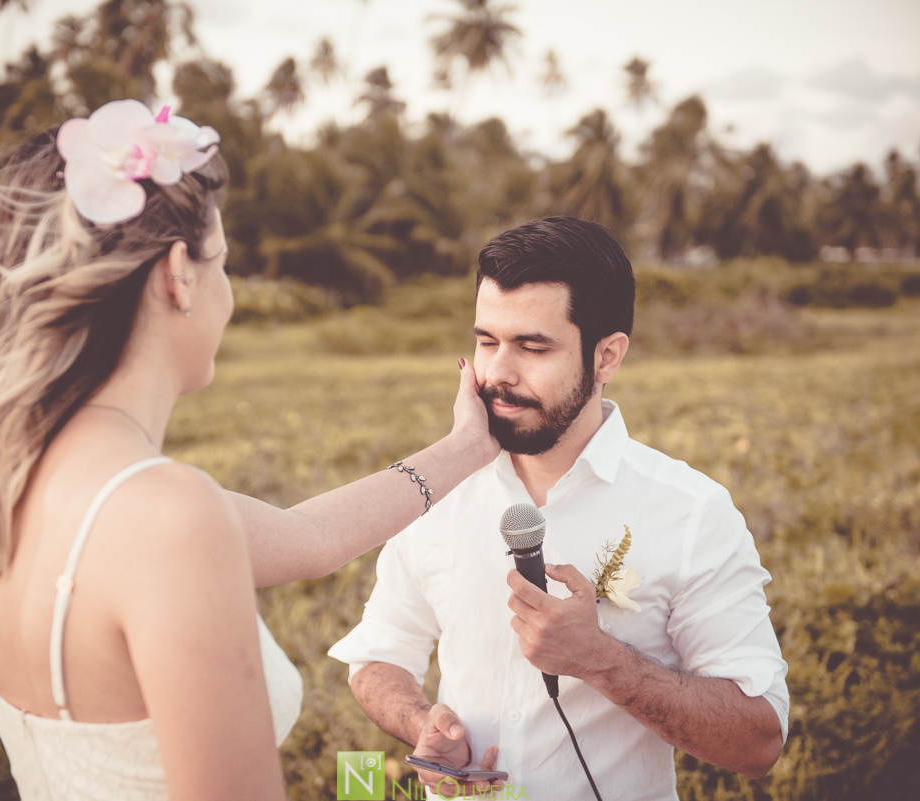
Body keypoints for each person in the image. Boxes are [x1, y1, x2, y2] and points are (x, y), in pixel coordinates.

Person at [0, 99, 497, 801]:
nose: (229, 296)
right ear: (179, 274)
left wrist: (464, 447)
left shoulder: (12, 478)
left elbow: (313, 537)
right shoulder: (167, 514)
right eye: (223, 265)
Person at [329, 216, 789, 800]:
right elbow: (377, 656)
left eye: (532, 346)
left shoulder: (692, 511)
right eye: (487, 341)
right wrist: (423, 724)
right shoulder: (435, 493)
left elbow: (759, 742)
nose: (498, 373)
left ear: (607, 357)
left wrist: (603, 661)